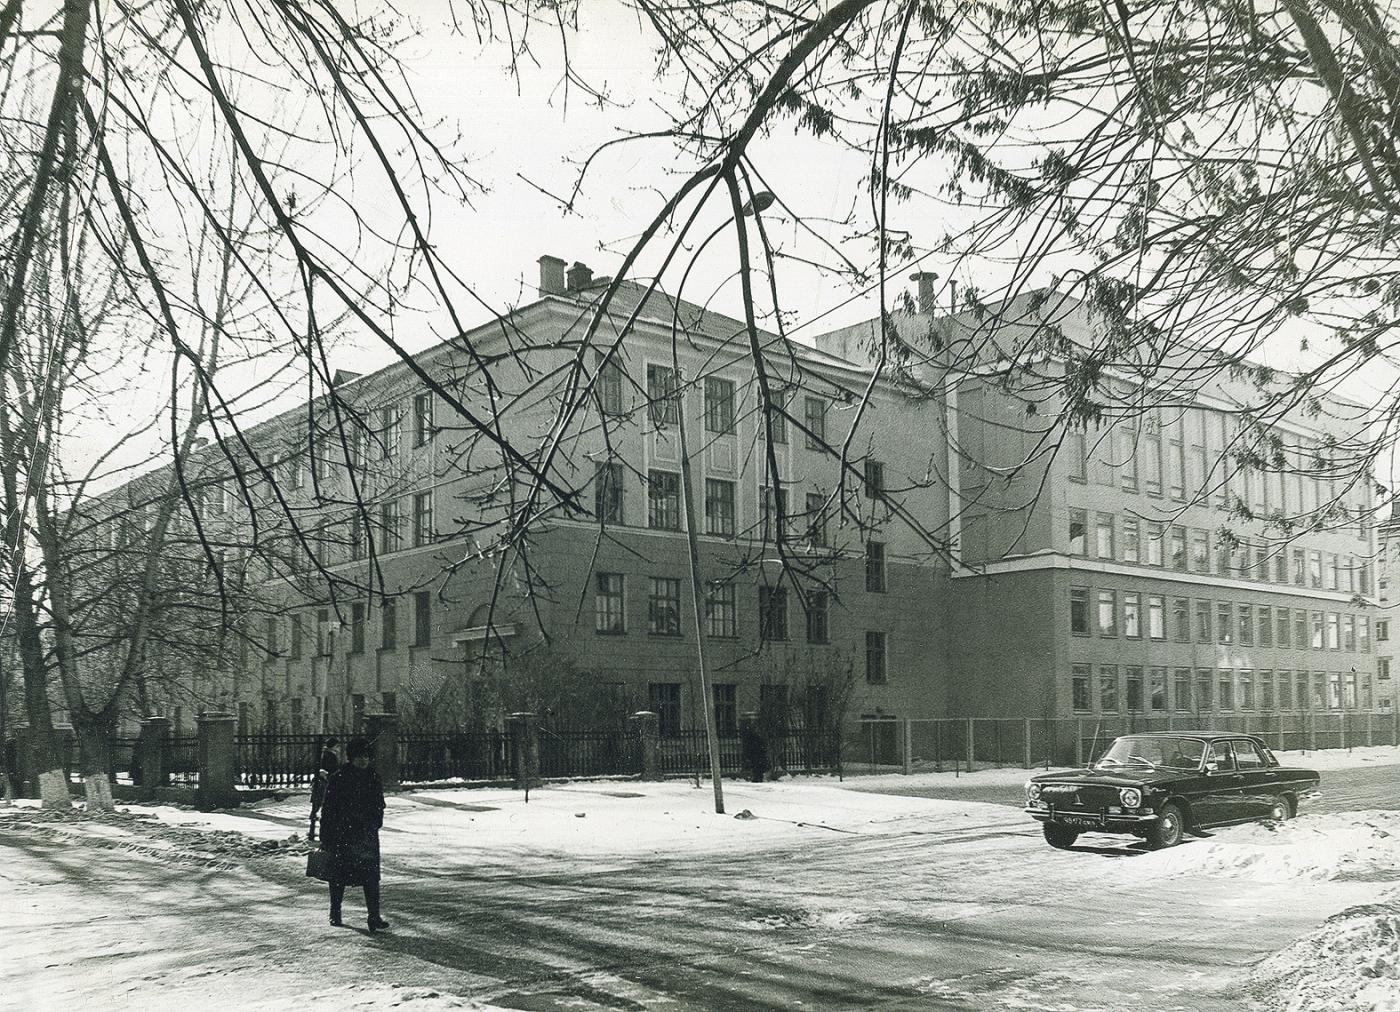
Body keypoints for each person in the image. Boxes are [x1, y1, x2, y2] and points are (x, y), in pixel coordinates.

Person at [320, 737, 388, 932]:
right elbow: (328, 809)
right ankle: (335, 911)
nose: (364, 760)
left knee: (371, 878)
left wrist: (375, 822)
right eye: (359, 756)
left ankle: (374, 916)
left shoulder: (373, 777)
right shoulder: (339, 777)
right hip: (343, 835)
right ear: (351, 758)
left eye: (367, 756)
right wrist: (326, 836)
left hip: (366, 834)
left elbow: (379, 804)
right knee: (338, 876)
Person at [308, 736, 340, 842]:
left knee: (320, 798)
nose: (338, 748)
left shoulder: (326, 754)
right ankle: (315, 814)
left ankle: (314, 813)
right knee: (323, 797)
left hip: (325, 778)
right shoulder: (329, 755)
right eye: (337, 746)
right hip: (326, 779)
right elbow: (330, 767)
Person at [739, 717, 768, 784]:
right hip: (757, 755)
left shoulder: (750, 737)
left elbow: (747, 746)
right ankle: (758, 778)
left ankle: (756, 778)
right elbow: (762, 745)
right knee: (757, 767)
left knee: (755, 767)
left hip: (755, 755)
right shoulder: (755, 737)